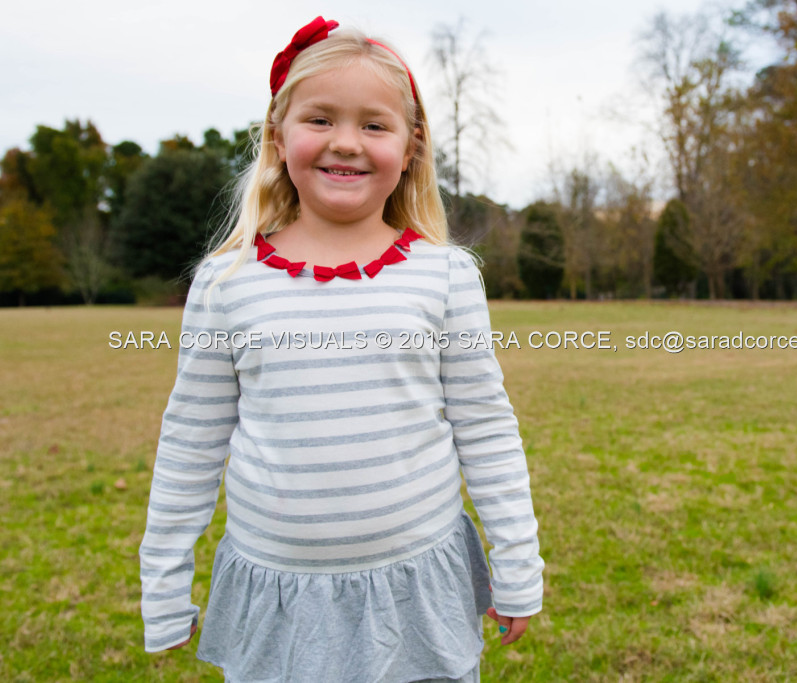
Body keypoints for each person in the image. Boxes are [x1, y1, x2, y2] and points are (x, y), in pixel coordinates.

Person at [138, 16, 544, 683]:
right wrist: (163, 579)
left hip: (417, 589)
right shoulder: (227, 281)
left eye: (375, 125)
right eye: (320, 119)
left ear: (412, 147)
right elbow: (191, 438)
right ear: (277, 136)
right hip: (280, 600)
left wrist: (518, 562)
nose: (347, 144)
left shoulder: (444, 276)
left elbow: (487, 428)